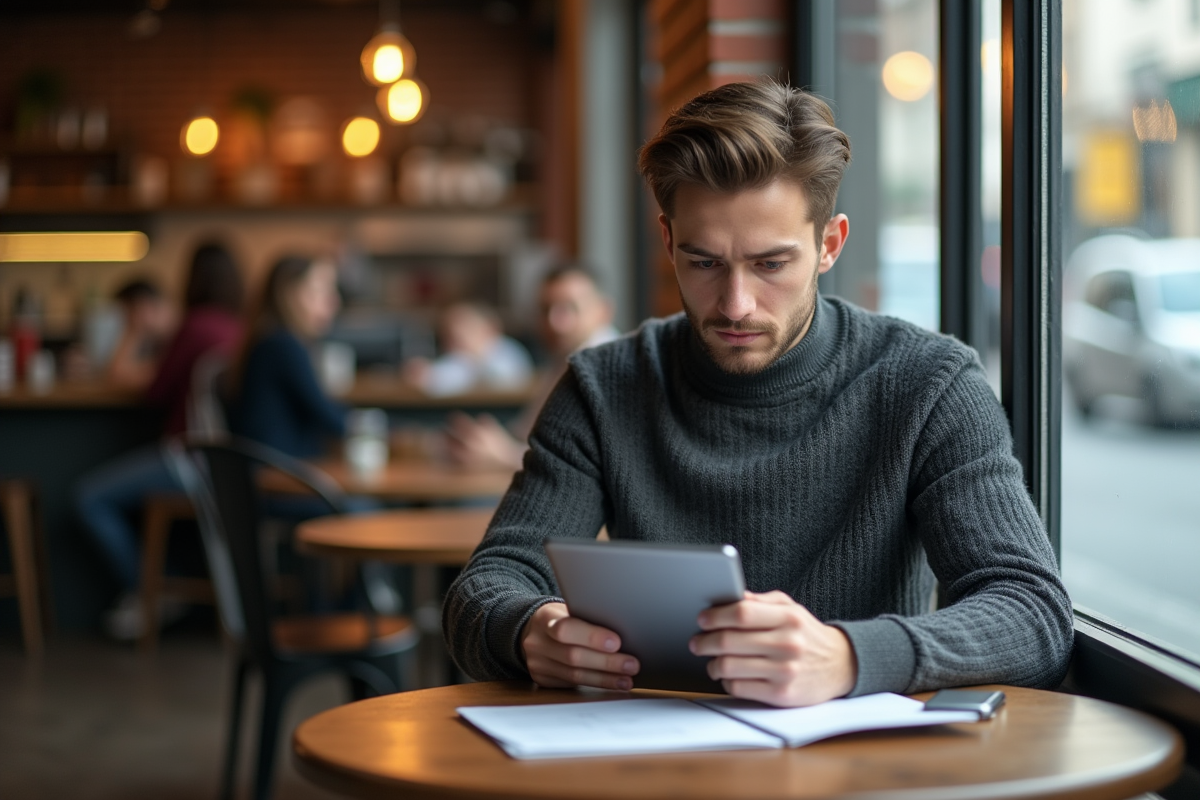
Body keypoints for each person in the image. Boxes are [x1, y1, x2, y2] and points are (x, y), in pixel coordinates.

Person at [443, 80, 1073, 707]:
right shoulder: (603, 386)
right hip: (656, 761)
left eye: (771, 264)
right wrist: (530, 629)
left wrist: (851, 656)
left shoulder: (928, 384)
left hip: (860, 772)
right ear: (668, 243)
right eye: (705, 263)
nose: (736, 305)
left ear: (829, 245)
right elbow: (486, 586)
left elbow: (1032, 612)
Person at [76, 242, 244, 640]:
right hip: (225, 464)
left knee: (89, 499)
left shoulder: (195, 326)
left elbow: (146, 388)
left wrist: (134, 328)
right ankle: (158, 589)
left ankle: (153, 591)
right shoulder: (238, 328)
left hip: (189, 460)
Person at [444, 265, 619, 471]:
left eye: (570, 308)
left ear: (603, 311)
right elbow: (529, 434)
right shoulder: (567, 358)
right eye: (546, 309)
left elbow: (580, 467)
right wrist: (489, 441)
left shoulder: (605, 368)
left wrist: (503, 454)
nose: (555, 322)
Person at [226, 255, 347, 458]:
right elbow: (330, 418)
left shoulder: (270, 339)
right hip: (279, 475)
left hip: (280, 469)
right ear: (291, 295)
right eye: (320, 290)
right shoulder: (282, 345)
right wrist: (390, 428)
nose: (334, 301)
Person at [403, 302, 533, 399]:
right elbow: (445, 376)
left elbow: (506, 380)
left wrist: (476, 359)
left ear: (490, 329)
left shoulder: (506, 350)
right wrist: (426, 374)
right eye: (449, 336)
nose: (453, 342)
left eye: (464, 331)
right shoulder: (459, 357)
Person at [105, 278, 175, 388]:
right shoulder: (157, 343)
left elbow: (116, 376)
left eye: (127, 315)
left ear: (144, 307)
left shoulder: (180, 340)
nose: (126, 324)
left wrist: (135, 329)